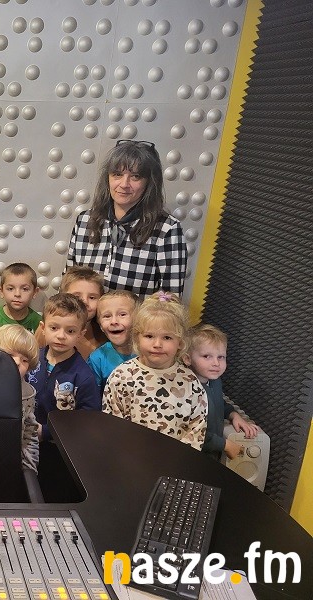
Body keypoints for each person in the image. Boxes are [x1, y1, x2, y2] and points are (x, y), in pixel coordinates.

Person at [65, 140, 187, 297]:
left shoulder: (167, 229)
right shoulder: (84, 220)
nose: (124, 184)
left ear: (149, 182)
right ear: (107, 178)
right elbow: (68, 285)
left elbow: (170, 299)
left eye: (135, 176)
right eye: (117, 174)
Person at [103, 292, 208, 449]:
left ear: (180, 342)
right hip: (129, 457)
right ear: (137, 337)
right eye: (149, 336)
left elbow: (196, 431)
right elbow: (112, 426)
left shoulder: (191, 383)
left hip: (174, 460)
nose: (157, 344)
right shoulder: (121, 377)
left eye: (167, 337)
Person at [26, 293, 101, 435]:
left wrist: (46, 432)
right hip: (24, 436)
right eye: (54, 328)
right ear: (43, 328)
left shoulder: (83, 375)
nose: (61, 336)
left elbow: (88, 418)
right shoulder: (31, 359)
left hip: (60, 443)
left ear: (80, 334)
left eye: (70, 331)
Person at [183, 324, 260, 460]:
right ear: (187, 359)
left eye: (221, 357)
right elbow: (191, 431)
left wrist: (234, 415)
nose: (216, 363)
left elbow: (218, 403)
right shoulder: (187, 389)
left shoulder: (214, 381)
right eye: (207, 356)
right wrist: (224, 445)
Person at [0, 325, 40, 473]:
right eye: (10, 355)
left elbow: (29, 432)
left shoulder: (27, 393)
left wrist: (29, 470)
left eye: (25, 360)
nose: (17, 362)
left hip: (9, 464)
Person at [87, 290, 139, 389]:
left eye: (122, 314)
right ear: (100, 326)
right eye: (107, 316)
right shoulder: (97, 359)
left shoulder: (150, 352)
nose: (114, 321)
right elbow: (91, 395)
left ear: (138, 319)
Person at [61, 266, 108, 359]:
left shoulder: (105, 334)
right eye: (77, 297)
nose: (85, 302)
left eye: (92, 297)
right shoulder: (49, 328)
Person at [0, 263, 41, 332]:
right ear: (1, 291)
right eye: (10, 289)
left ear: (34, 292)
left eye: (25, 289)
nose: (17, 294)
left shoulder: (39, 323)